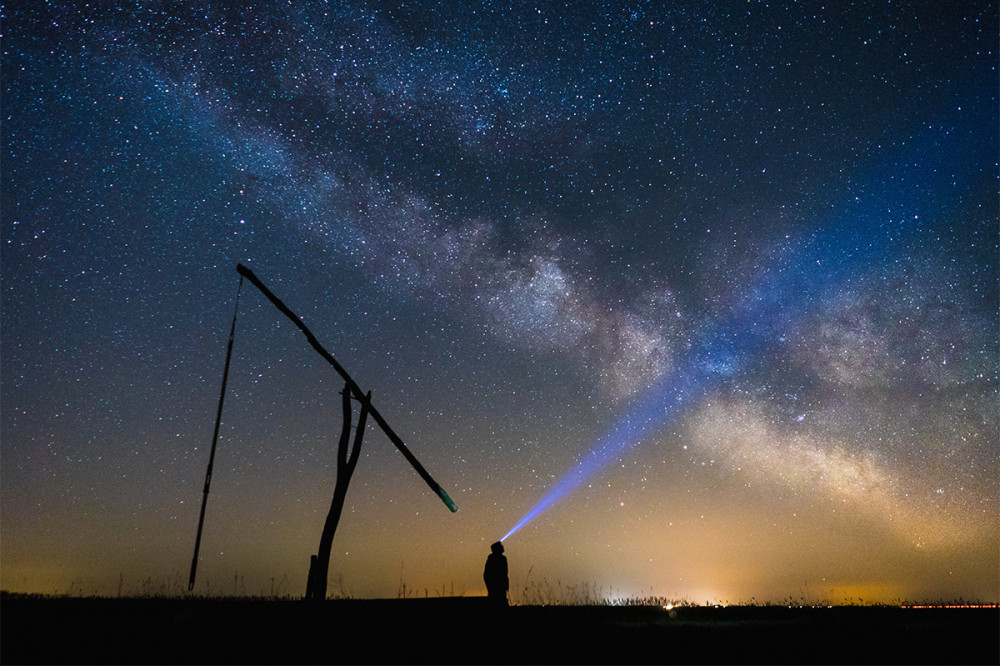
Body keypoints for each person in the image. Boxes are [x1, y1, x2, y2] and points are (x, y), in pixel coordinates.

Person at [483, 541, 509, 607]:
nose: (503, 547)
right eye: (501, 546)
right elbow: (487, 574)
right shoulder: (497, 559)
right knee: (497, 601)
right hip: (496, 584)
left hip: (500, 584)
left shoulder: (501, 558)